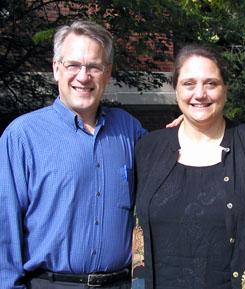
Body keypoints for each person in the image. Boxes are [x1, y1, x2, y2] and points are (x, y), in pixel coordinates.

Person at [0, 20, 147, 288]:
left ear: (107, 73)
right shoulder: (22, 136)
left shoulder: (130, 130)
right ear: (56, 69)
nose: (83, 76)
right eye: (73, 66)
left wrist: (190, 126)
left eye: (94, 66)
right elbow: (4, 230)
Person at [131, 44, 245, 289]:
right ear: (175, 89)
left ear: (225, 89)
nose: (200, 93)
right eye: (189, 84)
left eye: (211, 83)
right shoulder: (147, 150)